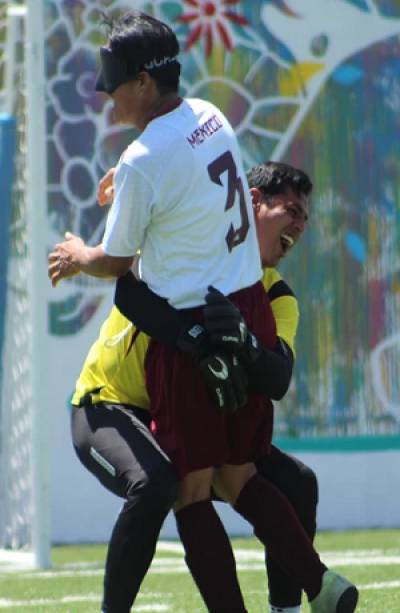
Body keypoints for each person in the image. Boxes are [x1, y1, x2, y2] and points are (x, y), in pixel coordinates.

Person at [48, 11, 357, 612]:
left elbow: (119, 269)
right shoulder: (211, 118)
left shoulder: (147, 160)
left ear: (141, 83)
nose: (106, 96)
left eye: (112, 83)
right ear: (253, 198)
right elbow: (185, 183)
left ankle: (280, 603)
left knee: (190, 490)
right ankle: (319, 587)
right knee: (238, 477)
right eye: (284, 209)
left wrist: (80, 252)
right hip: (232, 318)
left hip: (191, 336)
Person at [70, 161, 356, 613]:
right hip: (109, 407)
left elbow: (277, 378)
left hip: (185, 419)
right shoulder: (190, 248)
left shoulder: (274, 293)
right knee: (158, 482)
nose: (301, 226)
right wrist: (127, 176)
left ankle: (288, 608)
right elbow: (129, 292)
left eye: (306, 218)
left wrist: (244, 344)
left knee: (296, 483)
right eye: (292, 211)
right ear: (253, 203)